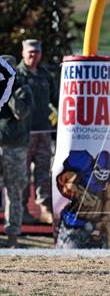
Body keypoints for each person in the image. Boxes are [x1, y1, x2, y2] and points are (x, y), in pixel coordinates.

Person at [17, 39, 59, 225]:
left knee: (43, 171)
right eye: (30, 52)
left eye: (37, 52)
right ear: (23, 53)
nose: (33, 56)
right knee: (22, 173)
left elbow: (56, 99)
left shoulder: (44, 75)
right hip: (23, 133)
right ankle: (23, 208)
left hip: (43, 131)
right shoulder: (17, 75)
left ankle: (44, 208)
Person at [0, 55, 33, 247]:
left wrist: (10, 89)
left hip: (15, 148)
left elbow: (20, 113)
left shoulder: (23, 89)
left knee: (14, 192)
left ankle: (13, 236)